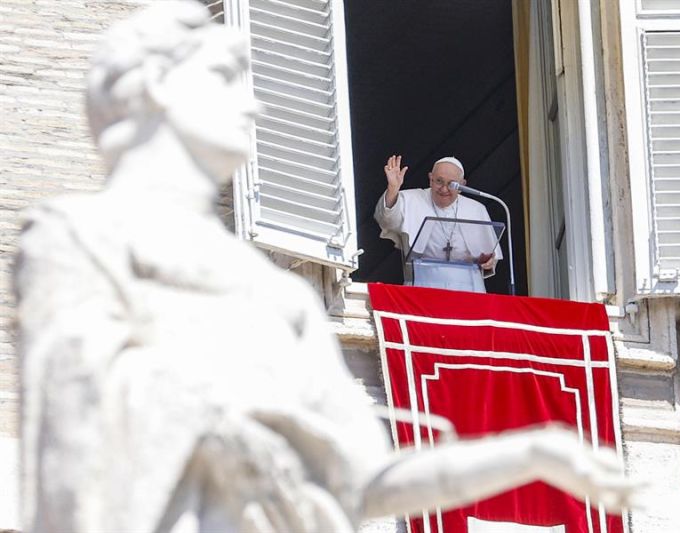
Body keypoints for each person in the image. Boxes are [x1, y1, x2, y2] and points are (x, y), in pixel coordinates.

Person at [14, 2, 638, 532]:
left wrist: (532, 452)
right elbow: (74, 458)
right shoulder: (79, 237)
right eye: (227, 78)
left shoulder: (275, 292)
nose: (254, 106)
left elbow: (366, 480)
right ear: (156, 89)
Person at [374, 155, 503, 292]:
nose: (444, 189)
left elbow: (490, 257)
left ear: (462, 185)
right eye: (439, 181)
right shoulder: (411, 199)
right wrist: (393, 189)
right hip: (423, 286)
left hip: (470, 289)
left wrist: (489, 260)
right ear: (430, 179)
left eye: (452, 184)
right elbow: (386, 219)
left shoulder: (476, 209)